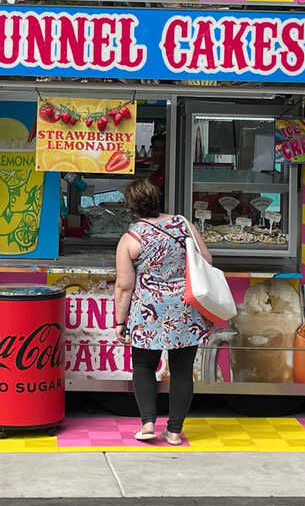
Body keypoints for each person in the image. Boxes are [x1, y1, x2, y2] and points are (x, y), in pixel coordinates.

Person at [114, 176, 211, 445]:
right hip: (186, 310)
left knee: (143, 366)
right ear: (157, 199)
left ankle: (147, 424)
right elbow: (207, 260)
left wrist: (120, 322)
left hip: (148, 313)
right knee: (182, 371)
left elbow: (124, 286)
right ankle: (174, 431)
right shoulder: (183, 224)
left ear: (131, 206)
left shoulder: (131, 239)